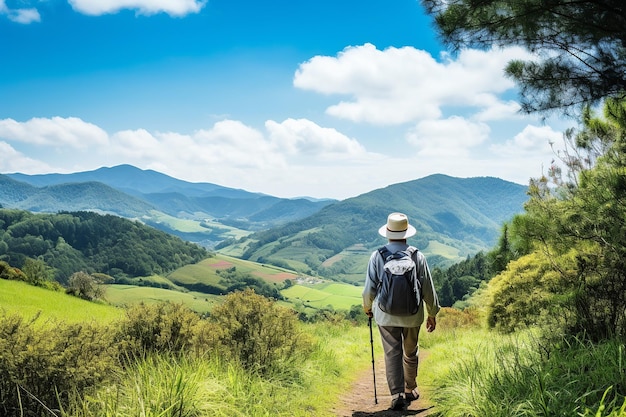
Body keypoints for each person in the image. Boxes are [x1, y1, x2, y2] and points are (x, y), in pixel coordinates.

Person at [362, 212, 440, 411]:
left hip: (385, 314)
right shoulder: (417, 255)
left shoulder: (377, 255)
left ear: (388, 233)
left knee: (391, 353)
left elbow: (369, 288)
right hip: (413, 315)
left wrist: (367, 307)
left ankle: (396, 394)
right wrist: (432, 313)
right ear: (407, 233)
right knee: (410, 352)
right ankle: (410, 388)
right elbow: (427, 288)